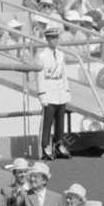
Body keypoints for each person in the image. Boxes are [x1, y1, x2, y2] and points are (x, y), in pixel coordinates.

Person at [36, 27, 70, 160]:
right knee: (47, 121)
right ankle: (45, 147)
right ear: (47, 39)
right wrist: (42, 94)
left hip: (60, 89)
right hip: (49, 90)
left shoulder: (60, 55)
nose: (54, 40)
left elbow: (64, 74)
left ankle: (58, 144)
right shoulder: (42, 55)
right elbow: (39, 76)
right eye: (52, 38)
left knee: (60, 121)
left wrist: (67, 90)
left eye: (56, 38)